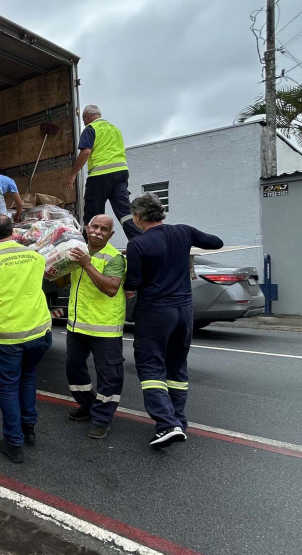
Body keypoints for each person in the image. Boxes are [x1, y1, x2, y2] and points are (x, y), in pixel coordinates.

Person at [124, 194, 223, 448]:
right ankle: (178, 420)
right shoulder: (184, 232)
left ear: (137, 217)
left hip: (156, 311)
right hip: (183, 310)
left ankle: (166, 425)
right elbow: (216, 242)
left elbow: (133, 283)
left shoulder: (138, 244)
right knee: (177, 366)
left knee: (150, 366)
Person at [0, 214, 52, 464]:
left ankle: (13, 443)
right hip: (39, 331)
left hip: (8, 336)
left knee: (8, 388)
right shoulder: (35, 255)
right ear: (13, 231)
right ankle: (29, 429)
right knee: (28, 377)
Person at [62, 214, 127, 439]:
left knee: (109, 375)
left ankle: (102, 418)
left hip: (104, 328)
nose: (97, 231)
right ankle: (88, 406)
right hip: (77, 326)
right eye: (94, 227)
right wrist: (58, 262)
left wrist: (87, 264)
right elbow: (61, 281)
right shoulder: (77, 251)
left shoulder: (114, 258)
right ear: (87, 229)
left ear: (111, 234)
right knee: (73, 369)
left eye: (104, 229)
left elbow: (110, 288)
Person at [65, 105, 141, 240]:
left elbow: (86, 152)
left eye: (84, 120)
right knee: (125, 213)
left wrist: (72, 174)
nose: (84, 123)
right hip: (121, 174)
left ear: (87, 117)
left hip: (100, 175)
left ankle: (88, 247)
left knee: (93, 215)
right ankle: (142, 243)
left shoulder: (90, 129)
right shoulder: (115, 129)